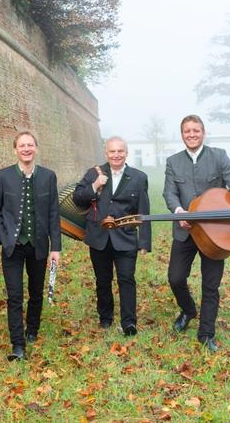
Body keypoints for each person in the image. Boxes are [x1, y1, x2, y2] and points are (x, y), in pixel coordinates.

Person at [163, 114, 230, 353]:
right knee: (175, 278)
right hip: (186, 231)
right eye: (187, 131)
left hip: (217, 233)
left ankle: (206, 333)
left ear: (203, 133)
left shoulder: (219, 156)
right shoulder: (173, 161)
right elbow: (169, 193)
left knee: (210, 285)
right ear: (182, 134)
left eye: (196, 130)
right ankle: (188, 310)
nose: (191, 134)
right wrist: (178, 210)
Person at [0, 131, 61, 361]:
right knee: (14, 295)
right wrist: (3, 237)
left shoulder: (48, 177)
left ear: (36, 148)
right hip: (13, 246)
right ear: (15, 150)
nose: (26, 149)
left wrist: (55, 248)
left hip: (39, 245)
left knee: (35, 292)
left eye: (30, 145)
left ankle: (32, 328)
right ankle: (17, 344)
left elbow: (53, 214)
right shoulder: (3, 176)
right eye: (22, 145)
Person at [73, 136, 150, 336]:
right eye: (112, 151)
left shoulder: (139, 177)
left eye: (120, 151)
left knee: (127, 279)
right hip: (99, 237)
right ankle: (105, 318)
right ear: (106, 153)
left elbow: (144, 211)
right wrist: (95, 186)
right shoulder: (93, 173)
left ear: (126, 153)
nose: (116, 155)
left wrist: (144, 241)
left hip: (125, 237)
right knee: (102, 280)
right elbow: (77, 198)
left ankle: (129, 322)